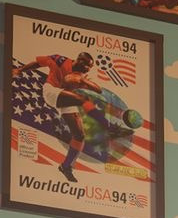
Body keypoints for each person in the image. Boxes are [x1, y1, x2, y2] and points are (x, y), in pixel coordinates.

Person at [31, 50, 121, 183]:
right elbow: (38, 62)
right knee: (82, 100)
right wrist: (20, 69)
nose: (88, 69)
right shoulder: (61, 61)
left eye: (90, 67)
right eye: (87, 65)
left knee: (79, 136)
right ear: (79, 61)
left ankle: (66, 166)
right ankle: (109, 126)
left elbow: (98, 90)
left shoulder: (80, 76)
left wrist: (84, 81)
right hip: (51, 91)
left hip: (65, 96)